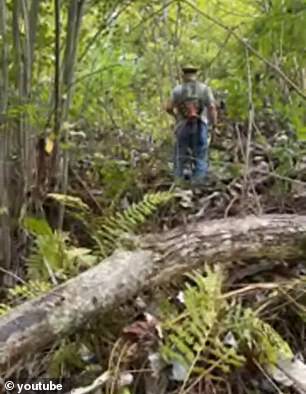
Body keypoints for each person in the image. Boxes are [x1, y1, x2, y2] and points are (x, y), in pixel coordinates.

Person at [166, 65, 217, 182]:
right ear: (196, 75)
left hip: (182, 125)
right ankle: (198, 182)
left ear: (183, 75)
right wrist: (214, 124)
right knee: (200, 154)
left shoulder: (177, 90)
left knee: (180, 153)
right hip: (200, 124)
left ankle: (178, 182)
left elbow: (168, 107)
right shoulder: (204, 89)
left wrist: (176, 116)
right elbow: (212, 108)